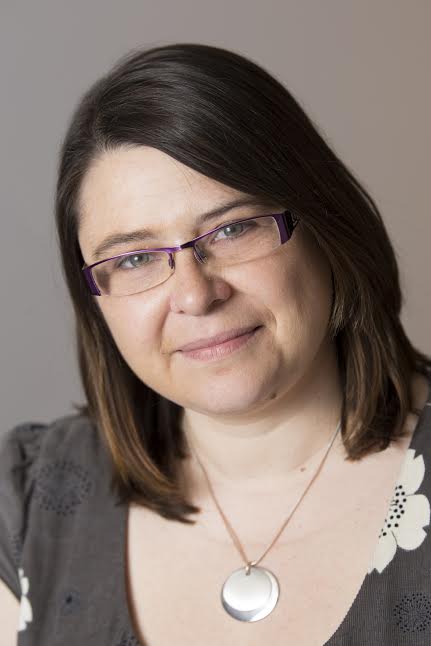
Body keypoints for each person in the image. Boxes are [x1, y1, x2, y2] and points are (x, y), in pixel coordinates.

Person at [1, 42, 431, 646]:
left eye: (232, 229)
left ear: (325, 227)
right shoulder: (27, 506)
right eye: (135, 259)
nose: (195, 295)